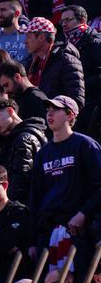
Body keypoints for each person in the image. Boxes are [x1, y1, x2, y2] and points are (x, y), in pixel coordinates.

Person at [30, 96, 101, 261]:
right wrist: (32, 239)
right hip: (48, 231)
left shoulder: (86, 145)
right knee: (48, 277)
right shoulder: (43, 153)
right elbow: (35, 197)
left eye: (55, 109)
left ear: (70, 115)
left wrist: (83, 213)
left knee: (72, 277)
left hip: (78, 231)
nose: (49, 114)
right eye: (48, 110)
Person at [0, 97, 46, 203]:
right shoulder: (14, 138)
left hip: (25, 205)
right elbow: (0, 168)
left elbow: (21, 179)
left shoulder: (23, 138)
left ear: (10, 111)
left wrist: (10, 205)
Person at [24, 17, 85, 108]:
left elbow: (76, 101)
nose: (25, 41)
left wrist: (53, 111)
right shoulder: (31, 63)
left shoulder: (66, 60)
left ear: (41, 37)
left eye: (28, 36)